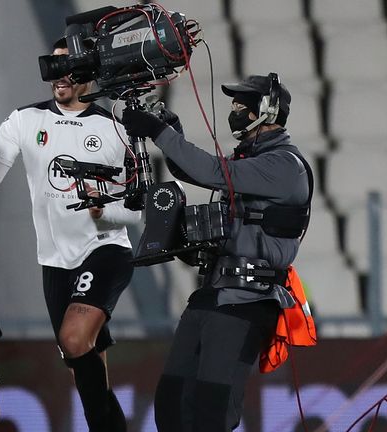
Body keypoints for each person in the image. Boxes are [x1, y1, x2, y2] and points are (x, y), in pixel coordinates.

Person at [121, 73, 310, 431]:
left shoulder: (284, 165)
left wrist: (158, 132)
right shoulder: (252, 162)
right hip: (214, 291)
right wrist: (170, 130)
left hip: (247, 300)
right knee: (171, 404)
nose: (235, 111)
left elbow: (211, 172)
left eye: (242, 105)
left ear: (266, 111)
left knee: (212, 411)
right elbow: (201, 172)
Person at [0, 38, 140, 431]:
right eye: (55, 64)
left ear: (89, 72)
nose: (60, 74)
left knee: (73, 338)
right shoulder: (24, 120)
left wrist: (106, 210)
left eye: (70, 65)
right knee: (83, 369)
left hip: (104, 249)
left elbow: (139, 211)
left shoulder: (116, 129)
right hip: (54, 261)